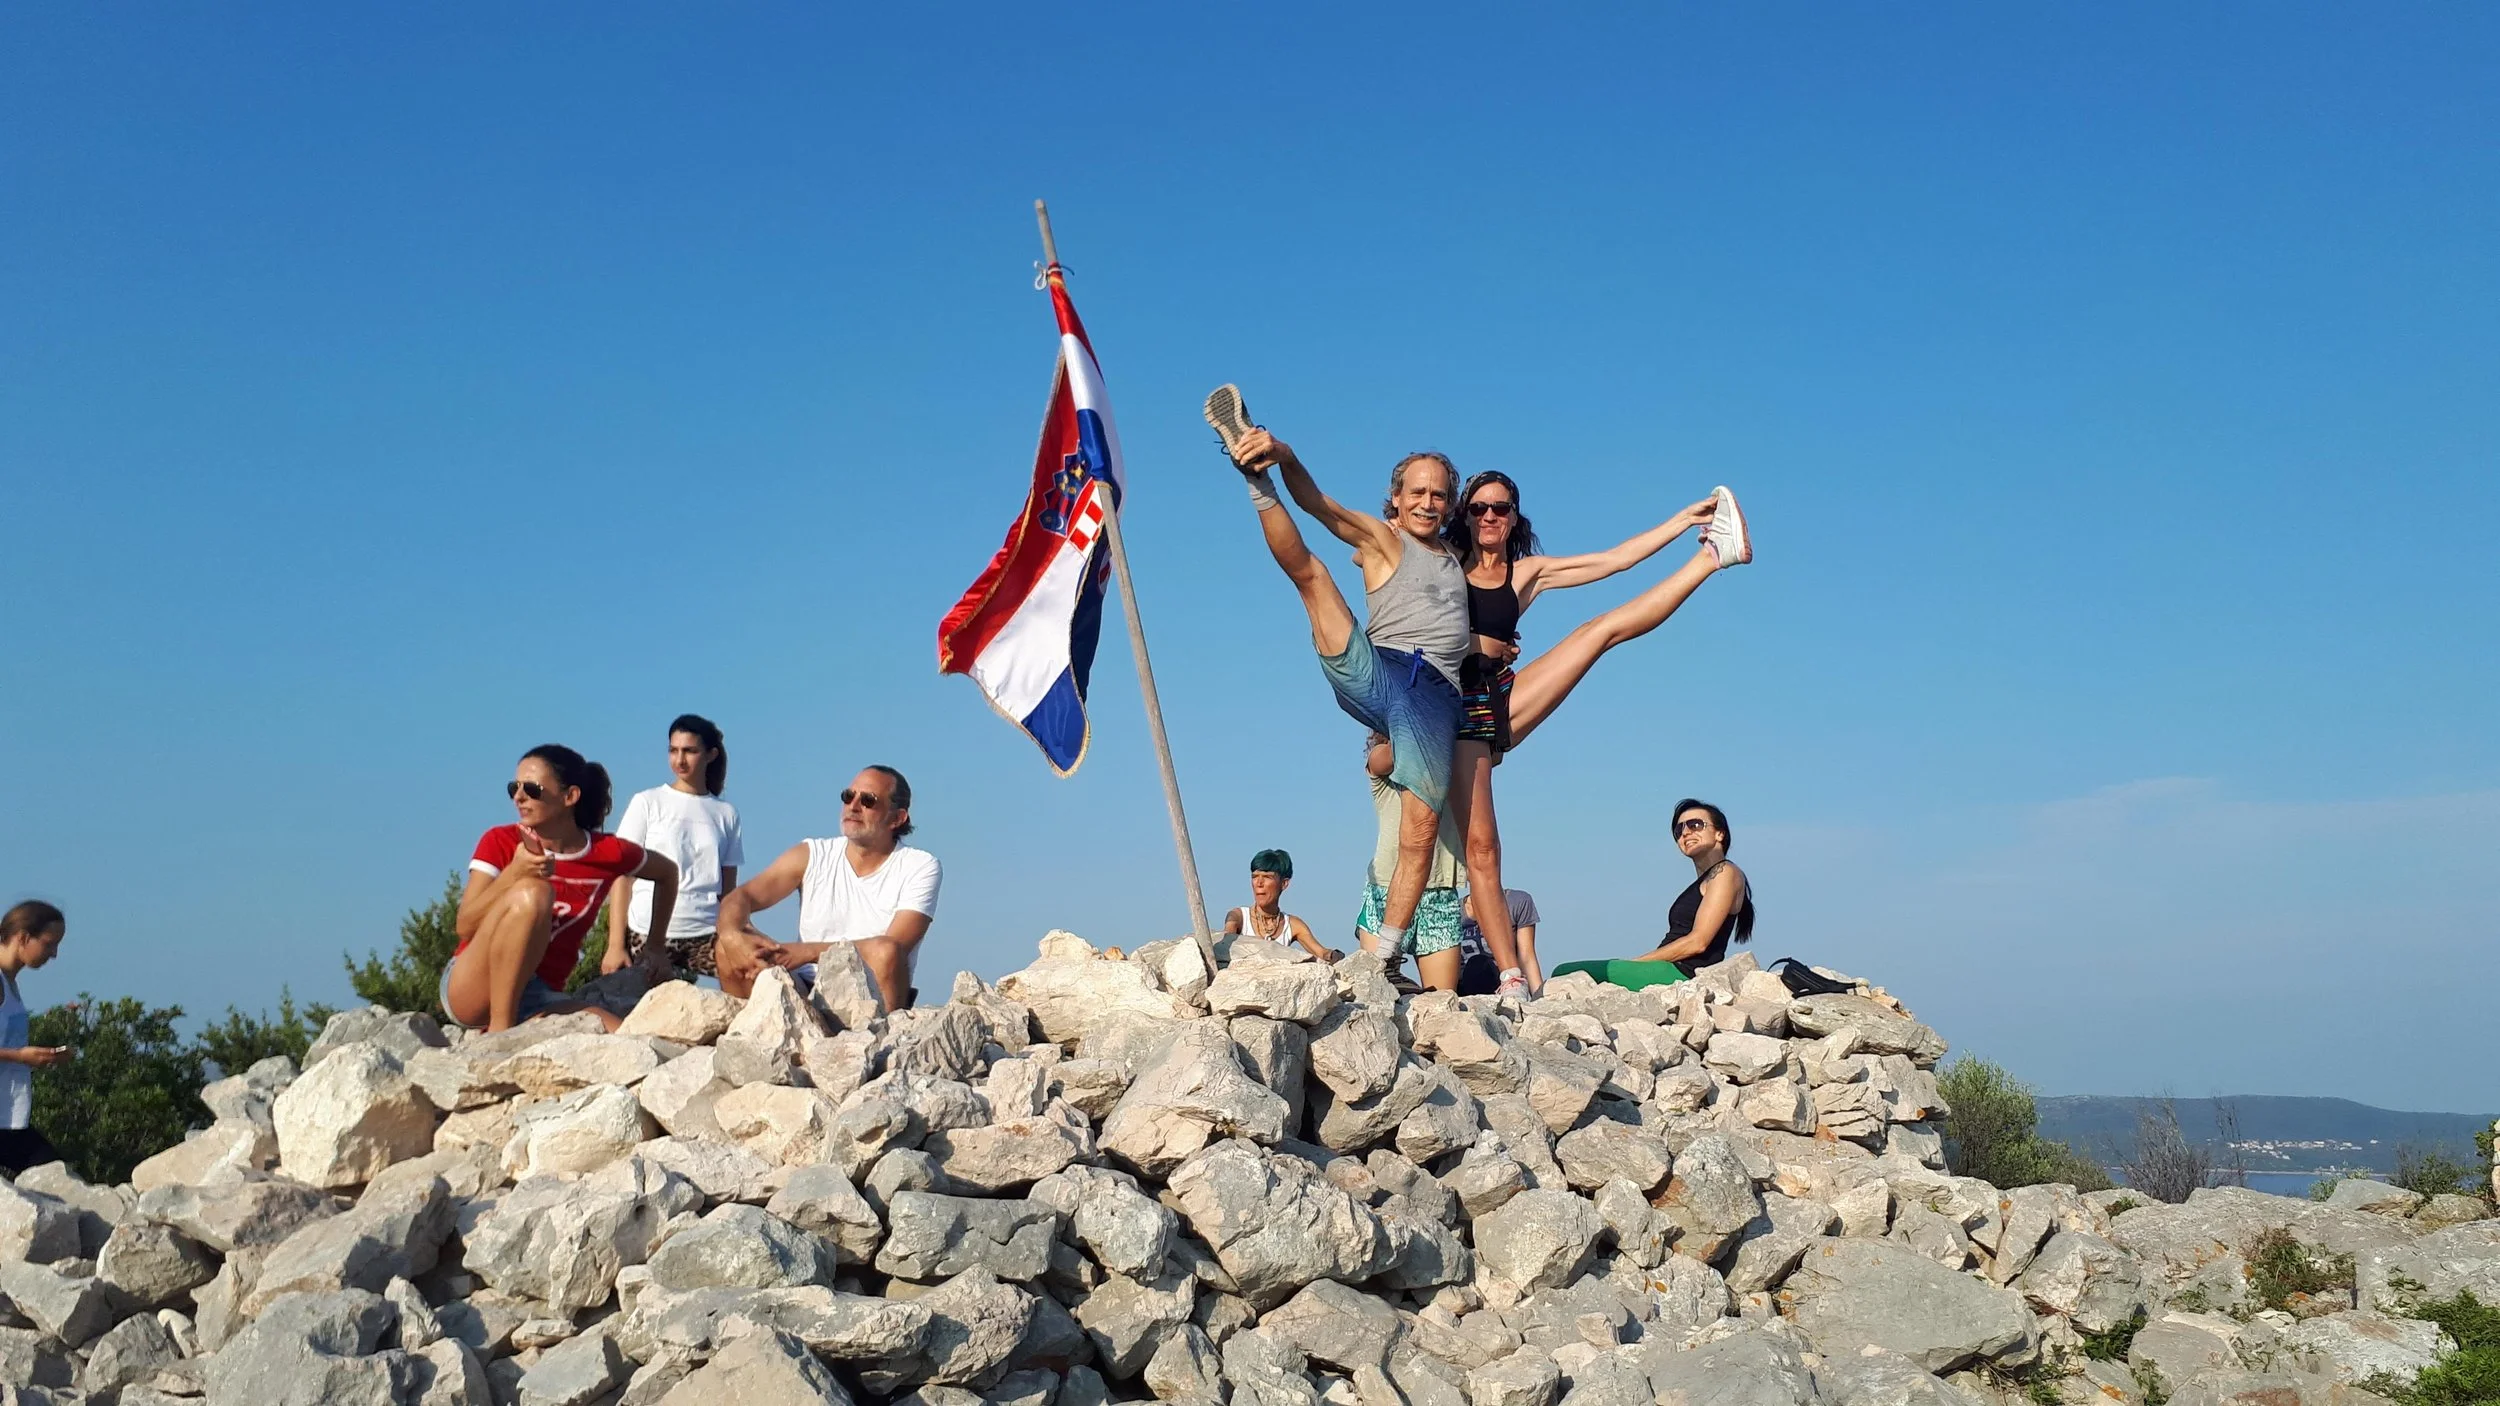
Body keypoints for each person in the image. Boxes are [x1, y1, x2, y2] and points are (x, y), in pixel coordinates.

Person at [1205, 385, 1526, 990]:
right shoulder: (1385, 541)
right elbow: (1321, 507)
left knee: (1421, 832)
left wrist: (1492, 647)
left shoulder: (1456, 564)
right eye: (1417, 493)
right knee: (1313, 575)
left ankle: (1383, 954)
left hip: (1435, 699)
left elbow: (1461, 628)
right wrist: (1283, 455)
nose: (1428, 502)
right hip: (1379, 670)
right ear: (1397, 503)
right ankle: (1253, 478)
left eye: (1439, 494)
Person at [1442, 470, 1750, 995]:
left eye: (1500, 508)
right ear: (1463, 515)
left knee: (1599, 631)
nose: (1489, 516)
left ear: (1514, 517)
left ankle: (1713, 557)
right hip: (1442, 707)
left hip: (1495, 702)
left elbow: (1614, 560)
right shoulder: (1442, 566)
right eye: (1478, 508)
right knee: (1461, 845)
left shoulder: (1526, 574)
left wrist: (1683, 521)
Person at [445, 745, 680, 1032]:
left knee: (622, 1036)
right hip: (474, 985)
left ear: (570, 796)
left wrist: (655, 946)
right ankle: (499, 1031)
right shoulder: (501, 841)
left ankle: (516, 1020)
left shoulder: (606, 852)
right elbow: (465, 926)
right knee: (535, 894)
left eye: (531, 788)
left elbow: (667, 873)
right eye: (513, 788)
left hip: (538, 994)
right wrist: (513, 874)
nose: (519, 797)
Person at [715, 765, 937, 1012]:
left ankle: (882, 1045)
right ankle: (752, 1041)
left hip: (868, 995)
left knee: (885, 951)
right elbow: (742, 897)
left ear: (897, 818)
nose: (853, 806)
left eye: (868, 800)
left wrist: (807, 952)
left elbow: (895, 947)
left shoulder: (920, 866)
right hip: (802, 987)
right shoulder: (812, 854)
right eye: (848, 796)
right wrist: (730, 934)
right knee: (727, 947)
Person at [1553, 799, 1754, 990]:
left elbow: (1698, 942)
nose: (1685, 832)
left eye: (1695, 825)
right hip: (1668, 968)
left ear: (1720, 834)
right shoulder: (1706, 880)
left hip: (1681, 973)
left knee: (1564, 973)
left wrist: (1636, 964)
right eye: (1679, 829)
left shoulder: (1726, 872)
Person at [603, 714, 744, 984]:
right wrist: (615, 944)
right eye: (673, 750)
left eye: (689, 751)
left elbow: (728, 891)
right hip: (647, 931)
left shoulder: (727, 814)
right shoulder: (647, 802)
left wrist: (740, 934)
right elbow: (622, 876)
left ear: (710, 755)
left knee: (751, 971)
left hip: (705, 931)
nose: (680, 760)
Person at [1355, 732, 1465, 991]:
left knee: (1441, 1001)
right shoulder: (1379, 761)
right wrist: (1426, 720)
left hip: (1438, 893)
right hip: (1385, 890)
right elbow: (1388, 758)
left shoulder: (1450, 761)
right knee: (1377, 993)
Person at [0, 902, 72, 1176]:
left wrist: (40, 1057)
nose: (53, 954)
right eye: (49, 944)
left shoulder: (9, 981)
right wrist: (20, 1056)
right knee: (53, 1177)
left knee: (53, 1176)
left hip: (9, 1116)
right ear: (22, 937)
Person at [1225, 850, 1336, 963]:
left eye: (1267, 877)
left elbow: (1321, 952)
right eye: (1254, 877)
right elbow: (1226, 943)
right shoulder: (1238, 917)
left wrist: (1333, 955)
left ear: (1284, 883)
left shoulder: (1292, 925)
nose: (1259, 883)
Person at [1460, 887, 1544, 994]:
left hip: (1503, 984)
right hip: (1464, 988)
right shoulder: (1454, 911)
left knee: (1481, 965)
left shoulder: (1517, 902)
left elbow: (1526, 957)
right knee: (1477, 965)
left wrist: (1539, 999)